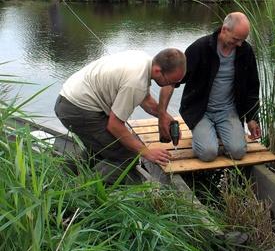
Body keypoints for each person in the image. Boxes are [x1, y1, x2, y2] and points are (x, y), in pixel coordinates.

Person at [54, 48, 186, 183]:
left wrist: (164, 116)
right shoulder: (136, 83)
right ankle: (88, 190)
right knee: (128, 155)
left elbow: (146, 100)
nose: (172, 86)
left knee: (103, 147)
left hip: (68, 100)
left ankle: (62, 176)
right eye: (171, 82)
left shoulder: (143, 60)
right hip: (78, 110)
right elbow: (115, 125)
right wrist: (147, 152)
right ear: (158, 71)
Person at [161, 12, 261, 162]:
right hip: (201, 111)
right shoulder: (200, 48)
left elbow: (252, 87)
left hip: (228, 111)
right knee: (208, 153)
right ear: (224, 30)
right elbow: (172, 80)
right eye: (236, 39)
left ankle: (218, 132)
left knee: (238, 152)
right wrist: (162, 114)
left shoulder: (245, 51)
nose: (240, 44)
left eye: (242, 40)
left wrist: (252, 119)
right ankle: (203, 134)